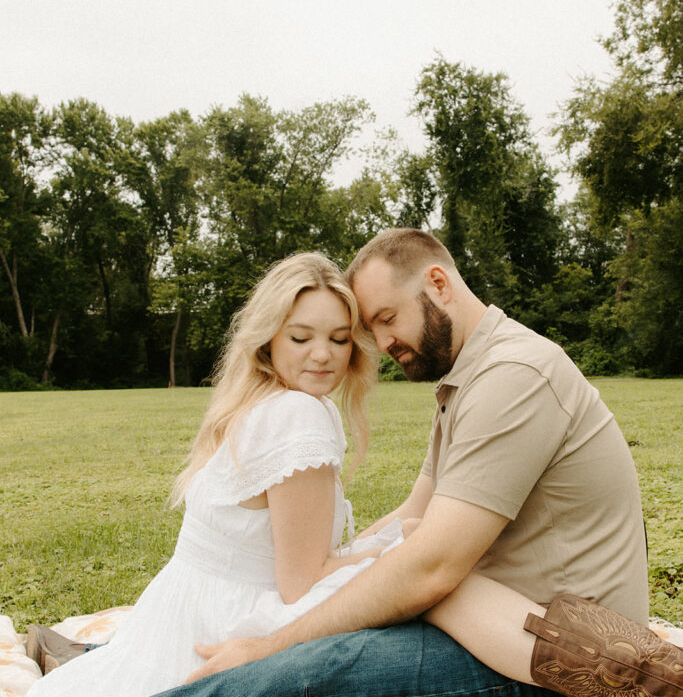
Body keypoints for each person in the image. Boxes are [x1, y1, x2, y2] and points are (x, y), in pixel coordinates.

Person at [155, 229, 681, 697]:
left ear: (438, 283)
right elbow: (416, 508)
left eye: (387, 319)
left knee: (296, 671)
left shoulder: (514, 376)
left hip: (559, 656)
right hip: (483, 620)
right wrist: (332, 574)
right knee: (319, 638)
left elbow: (429, 568)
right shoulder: (465, 379)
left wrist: (272, 643)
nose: (382, 344)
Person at [27, 252, 396, 697]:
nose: (323, 355)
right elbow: (301, 585)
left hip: (180, 612)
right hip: (225, 626)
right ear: (268, 339)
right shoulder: (298, 414)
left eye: (339, 339)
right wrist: (397, 551)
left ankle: (77, 657)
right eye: (300, 337)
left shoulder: (260, 399)